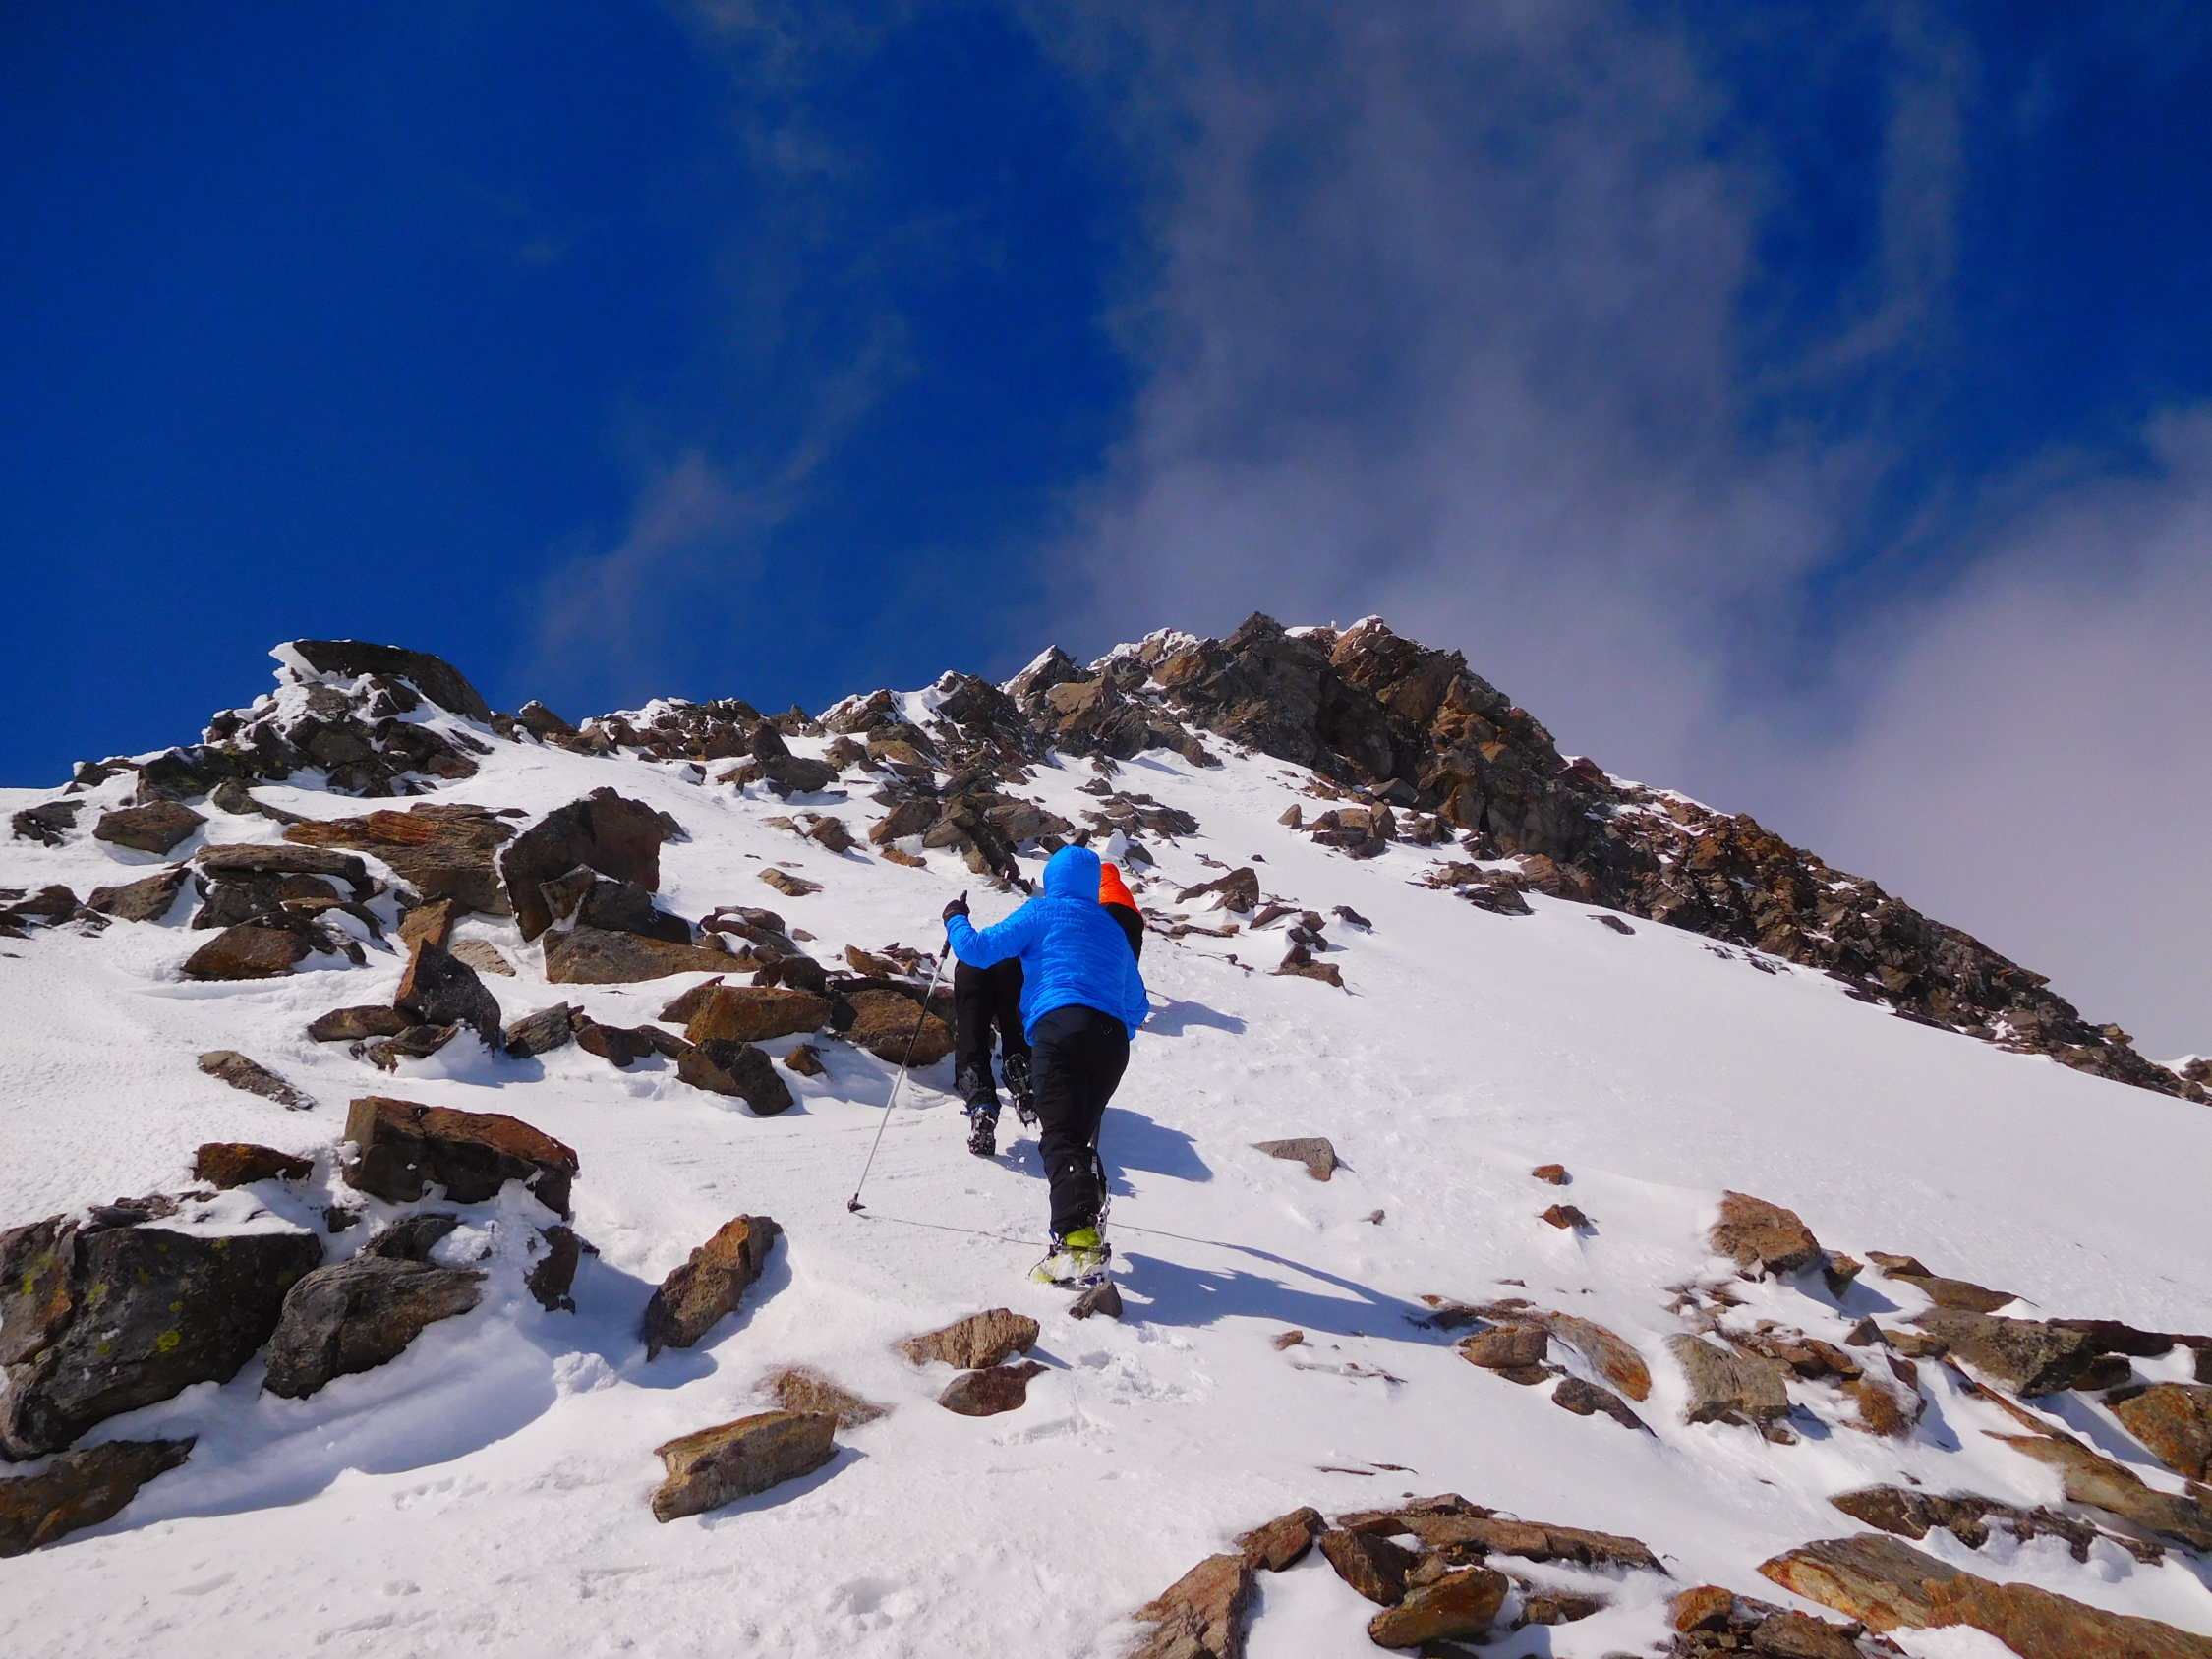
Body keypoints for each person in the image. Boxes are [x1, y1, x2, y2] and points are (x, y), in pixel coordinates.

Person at [944, 844, 1149, 1284]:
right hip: (1112, 1045)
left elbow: (977, 951)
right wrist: (1109, 1025)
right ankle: (1087, 1211)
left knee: (1060, 1138)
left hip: (1061, 1028)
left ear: (1053, 879)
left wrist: (954, 918)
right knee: (1075, 1140)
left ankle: (1076, 1245)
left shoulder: (1042, 912)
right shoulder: (1112, 928)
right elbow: (1137, 1005)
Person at [952, 957, 1032, 1158]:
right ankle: (1022, 1079)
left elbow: (959, 939)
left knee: (971, 1043)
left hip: (972, 961)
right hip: (1015, 963)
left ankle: (981, 1104)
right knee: (1017, 1036)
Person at [1098, 860, 1144, 958]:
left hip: (1108, 906)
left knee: (1105, 950)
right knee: (1132, 956)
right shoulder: (1120, 885)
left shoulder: (1095, 878)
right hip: (1135, 917)